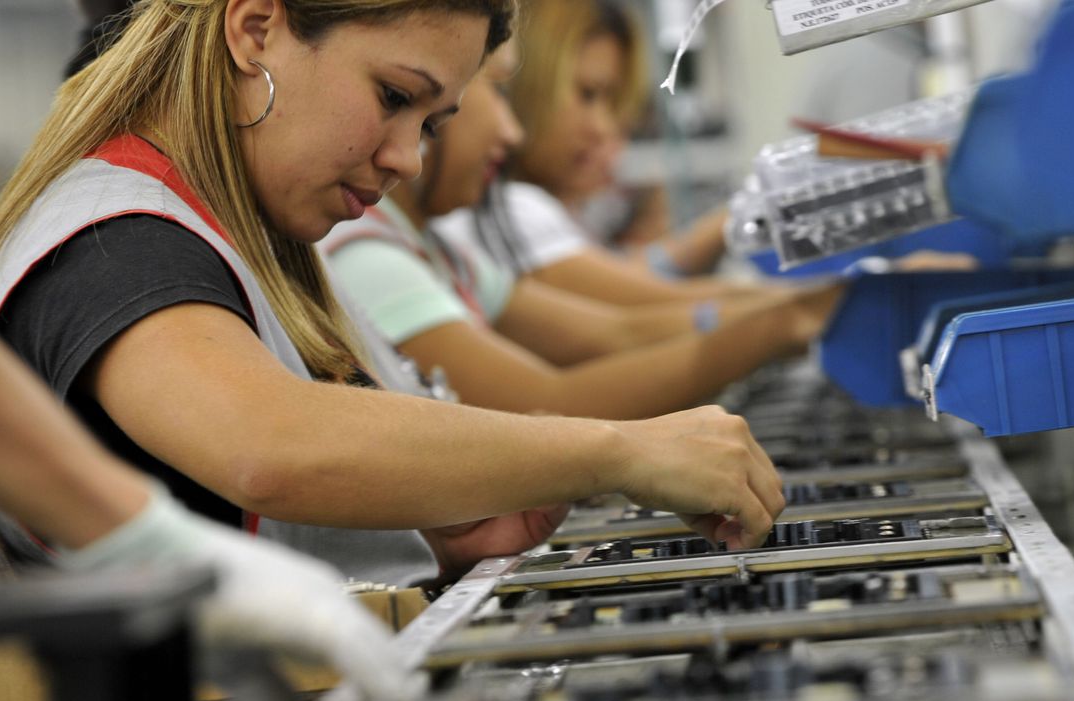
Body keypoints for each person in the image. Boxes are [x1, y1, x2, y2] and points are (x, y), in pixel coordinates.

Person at [0, 0, 784, 589]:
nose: (408, 158)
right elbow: (269, 446)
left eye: (430, 122)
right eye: (394, 98)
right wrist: (620, 452)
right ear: (255, 30)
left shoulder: (243, 238)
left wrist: (434, 530)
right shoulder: (112, 239)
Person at [0, 264, 421, 701]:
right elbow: (264, 456)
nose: (406, 162)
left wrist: (139, 539)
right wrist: (148, 542)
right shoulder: (120, 255)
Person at [323, 43, 843, 419]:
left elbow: (618, 331)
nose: (512, 130)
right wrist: (785, 320)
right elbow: (552, 402)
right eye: (498, 95)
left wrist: (793, 310)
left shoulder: (439, 247)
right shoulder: (366, 255)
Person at [440, 0, 758, 306]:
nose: (603, 127)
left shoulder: (536, 209)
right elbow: (640, 300)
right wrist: (744, 212)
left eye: (611, 101)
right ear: (527, 84)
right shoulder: (513, 210)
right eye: (587, 95)